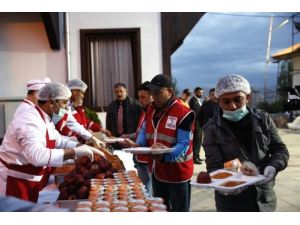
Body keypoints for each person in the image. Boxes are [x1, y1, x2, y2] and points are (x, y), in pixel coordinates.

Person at [0, 82, 103, 202]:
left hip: (28, 179)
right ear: (50, 103)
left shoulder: (45, 119)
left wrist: (81, 146)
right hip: (13, 181)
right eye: (64, 102)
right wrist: (74, 152)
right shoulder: (30, 120)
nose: (67, 108)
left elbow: (58, 140)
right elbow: (37, 156)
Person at [202, 74, 289, 212]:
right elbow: (214, 167)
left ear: (248, 97)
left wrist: (274, 166)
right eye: (226, 101)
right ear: (218, 101)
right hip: (232, 202)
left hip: (264, 198)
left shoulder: (263, 119)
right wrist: (225, 185)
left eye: (238, 99)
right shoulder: (212, 129)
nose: (233, 106)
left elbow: (280, 149)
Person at [121, 74, 195, 212]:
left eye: (158, 93)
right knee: (161, 209)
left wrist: (164, 156)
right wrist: (139, 144)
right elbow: (144, 129)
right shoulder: (152, 109)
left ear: (170, 92)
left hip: (177, 173)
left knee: (180, 211)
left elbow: (184, 144)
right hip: (156, 171)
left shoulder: (184, 113)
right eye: (152, 93)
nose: (154, 97)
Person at [52, 79, 106, 148]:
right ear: (75, 91)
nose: (83, 96)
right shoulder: (62, 105)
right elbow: (56, 124)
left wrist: (91, 137)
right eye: (82, 93)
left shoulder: (67, 105)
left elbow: (72, 123)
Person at [133, 81, 153, 194]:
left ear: (152, 96)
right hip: (140, 158)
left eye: (143, 97)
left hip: (149, 160)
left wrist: (137, 143)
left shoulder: (154, 113)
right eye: (139, 97)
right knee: (144, 192)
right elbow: (141, 131)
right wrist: (130, 136)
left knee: (151, 194)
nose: (140, 100)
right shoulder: (144, 112)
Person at [188, 87, 204, 164]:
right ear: (195, 92)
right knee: (196, 141)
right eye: (199, 92)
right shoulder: (193, 101)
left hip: (200, 124)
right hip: (196, 124)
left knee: (199, 141)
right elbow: (196, 113)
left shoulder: (199, 101)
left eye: (201, 92)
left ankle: (197, 156)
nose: (201, 94)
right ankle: (194, 158)